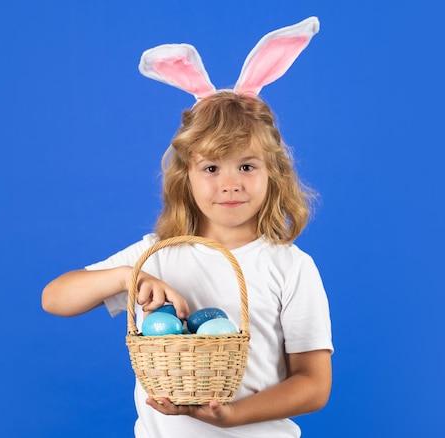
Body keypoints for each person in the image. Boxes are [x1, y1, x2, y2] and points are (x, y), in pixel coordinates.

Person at [42, 16, 334, 438]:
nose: (230, 183)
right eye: (212, 167)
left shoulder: (291, 266)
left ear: (274, 174)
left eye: (247, 166)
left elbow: (313, 383)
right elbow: (55, 298)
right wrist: (129, 276)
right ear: (186, 177)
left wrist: (232, 415)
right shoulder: (157, 255)